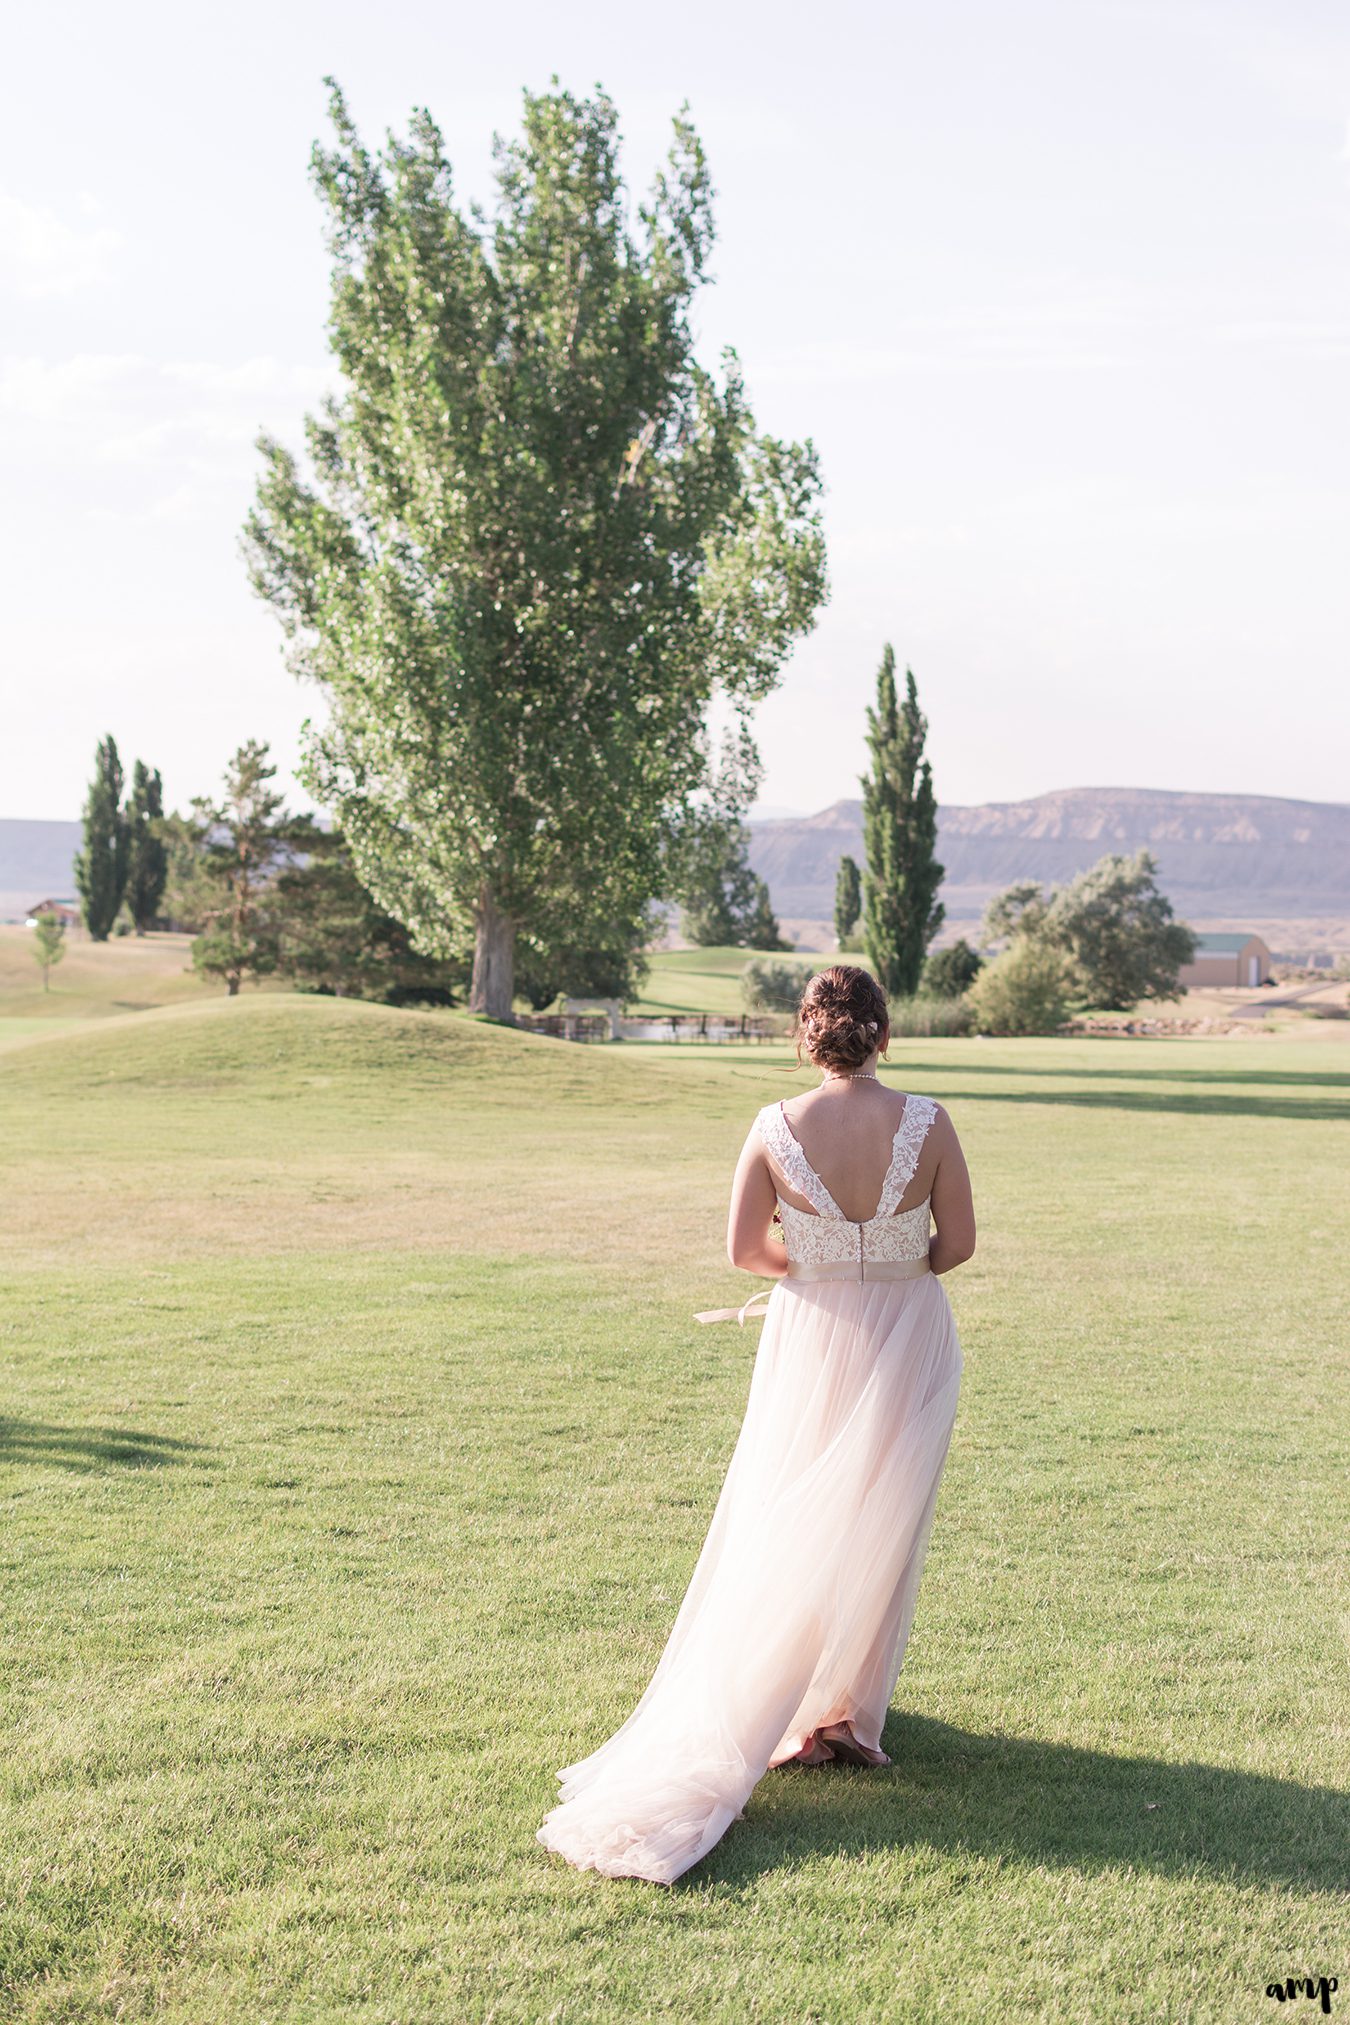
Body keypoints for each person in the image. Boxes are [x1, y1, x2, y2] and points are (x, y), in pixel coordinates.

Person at [536, 964, 974, 1885]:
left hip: (814, 1335)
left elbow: (743, 1249)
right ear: (884, 1034)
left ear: (805, 1037)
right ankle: (842, 1713)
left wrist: (817, 1260)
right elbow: (959, 1245)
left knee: (792, 1506)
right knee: (880, 1519)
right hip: (907, 1332)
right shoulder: (929, 1121)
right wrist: (887, 1257)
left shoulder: (775, 1125)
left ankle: (808, 1706)